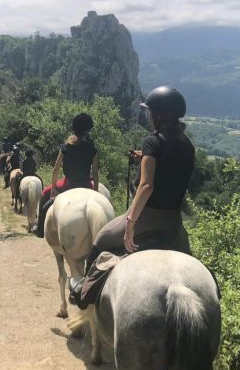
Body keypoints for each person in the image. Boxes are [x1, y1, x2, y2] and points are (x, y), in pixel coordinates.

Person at [71, 86, 195, 307]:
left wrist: (130, 223)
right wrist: (144, 157)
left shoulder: (152, 141)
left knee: (101, 239)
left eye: (150, 113)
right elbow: (170, 166)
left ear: (157, 115)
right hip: (174, 224)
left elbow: (146, 185)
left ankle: (84, 291)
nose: (148, 116)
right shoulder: (187, 145)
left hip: (146, 219)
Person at [32, 113, 99, 237]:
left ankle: (40, 229)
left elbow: (56, 169)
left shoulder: (65, 147)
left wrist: (52, 189)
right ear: (87, 131)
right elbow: (94, 172)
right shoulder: (92, 148)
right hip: (86, 184)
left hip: (68, 184)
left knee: (44, 195)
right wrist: (96, 191)